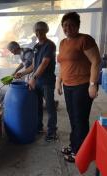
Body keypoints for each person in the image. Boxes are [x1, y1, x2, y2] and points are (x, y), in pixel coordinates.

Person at [56, 12, 101, 163]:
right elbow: (62, 64)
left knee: (80, 119)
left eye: (71, 25)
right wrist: (58, 82)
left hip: (82, 86)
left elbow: (96, 61)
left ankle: (81, 152)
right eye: (65, 25)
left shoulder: (85, 40)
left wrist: (93, 84)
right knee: (73, 118)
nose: (68, 28)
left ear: (77, 26)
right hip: (68, 86)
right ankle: (75, 145)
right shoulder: (63, 43)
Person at [14, 21, 58, 142]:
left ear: (46, 31)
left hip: (47, 81)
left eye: (41, 30)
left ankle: (52, 132)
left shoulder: (50, 45)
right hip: (37, 81)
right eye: (37, 31)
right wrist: (22, 73)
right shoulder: (36, 47)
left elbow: (44, 63)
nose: (38, 33)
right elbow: (34, 65)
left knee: (49, 107)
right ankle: (39, 127)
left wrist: (33, 78)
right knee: (38, 106)